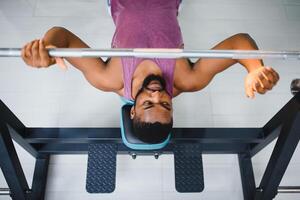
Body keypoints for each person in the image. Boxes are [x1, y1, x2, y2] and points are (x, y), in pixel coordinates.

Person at [21, 0, 279, 143]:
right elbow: (239, 42)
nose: (157, 95)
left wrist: (49, 49)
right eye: (165, 105)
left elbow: (63, 36)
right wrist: (254, 68)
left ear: (132, 109)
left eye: (147, 104)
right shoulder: (187, 79)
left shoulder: (109, 78)